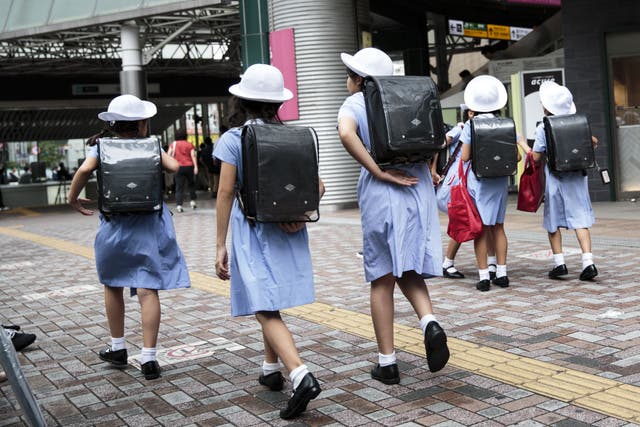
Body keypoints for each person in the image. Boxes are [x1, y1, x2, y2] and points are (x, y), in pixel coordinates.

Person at [214, 63, 325, 420]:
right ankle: (269, 368)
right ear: (277, 103)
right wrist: (298, 213)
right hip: (289, 230)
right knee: (270, 298)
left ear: (242, 101)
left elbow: (225, 193)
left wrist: (219, 244)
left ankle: (300, 374)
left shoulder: (234, 139)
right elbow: (318, 187)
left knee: (262, 306)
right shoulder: (292, 137)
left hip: (253, 230)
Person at [337, 47, 449, 385]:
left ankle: (388, 363)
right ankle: (429, 321)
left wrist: (379, 171)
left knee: (382, 277)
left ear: (359, 79)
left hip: (383, 193)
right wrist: (428, 168)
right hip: (418, 191)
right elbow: (439, 138)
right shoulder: (409, 100)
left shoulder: (357, 101)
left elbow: (345, 133)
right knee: (410, 266)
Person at [67, 94, 191, 380]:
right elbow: (174, 167)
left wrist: (73, 198)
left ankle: (118, 347)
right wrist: (154, 150)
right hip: (149, 226)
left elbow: (85, 170)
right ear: (142, 123)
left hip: (115, 226)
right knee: (148, 290)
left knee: (113, 285)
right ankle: (149, 358)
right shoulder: (150, 145)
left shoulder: (102, 147)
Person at [517, 81, 598, 281]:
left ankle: (559, 263)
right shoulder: (577, 122)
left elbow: (535, 157)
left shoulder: (544, 127)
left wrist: (521, 143)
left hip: (555, 178)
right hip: (577, 178)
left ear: (547, 107)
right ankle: (588, 262)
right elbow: (594, 142)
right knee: (581, 220)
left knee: (553, 222)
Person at [460, 75, 523, 292]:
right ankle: (502, 273)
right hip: (500, 183)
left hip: (479, 182)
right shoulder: (507, 124)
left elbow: (465, 157)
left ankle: (484, 276)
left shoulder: (471, 125)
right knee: (498, 227)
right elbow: (517, 158)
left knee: (480, 229)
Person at [168, 128, 198, 212]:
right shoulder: (189, 144)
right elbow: (193, 156)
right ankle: (192, 201)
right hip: (189, 166)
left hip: (178, 167)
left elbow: (168, 154)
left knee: (179, 187)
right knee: (191, 184)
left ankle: (179, 205)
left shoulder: (173, 144)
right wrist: (196, 167)